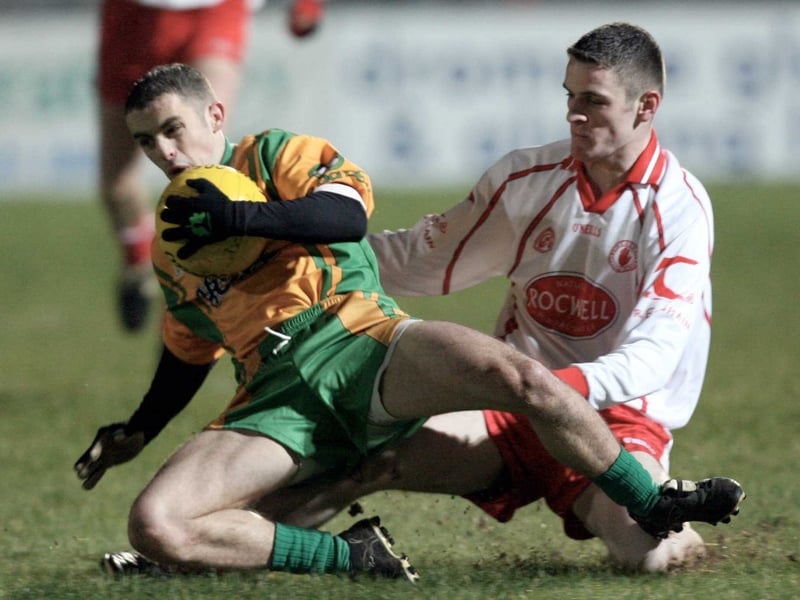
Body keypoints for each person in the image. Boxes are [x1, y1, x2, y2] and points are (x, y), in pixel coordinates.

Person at [75, 63, 743, 582]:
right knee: (156, 523)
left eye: (173, 129)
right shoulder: (174, 242)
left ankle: (651, 501)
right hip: (274, 398)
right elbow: (188, 349)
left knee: (521, 377)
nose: (165, 152)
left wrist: (241, 217)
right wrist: (138, 428)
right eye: (146, 141)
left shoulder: (275, 156)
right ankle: (352, 557)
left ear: (214, 115)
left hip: (366, 345)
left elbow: (345, 217)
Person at [247, 22, 739, 573]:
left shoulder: (679, 209)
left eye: (594, 101)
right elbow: (421, 259)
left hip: (614, 421)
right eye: (570, 96)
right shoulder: (526, 179)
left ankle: (671, 523)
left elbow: (655, 356)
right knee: (366, 460)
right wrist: (302, 254)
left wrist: (555, 390)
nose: (574, 114)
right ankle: (220, 546)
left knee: (653, 557)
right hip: (510, 407)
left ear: (646, 106)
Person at [97, 0, 323, 332]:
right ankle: (138, 263)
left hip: (213, 11)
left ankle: (188, 309)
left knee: (203, 168)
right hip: (132, 17)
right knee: (118, 187)